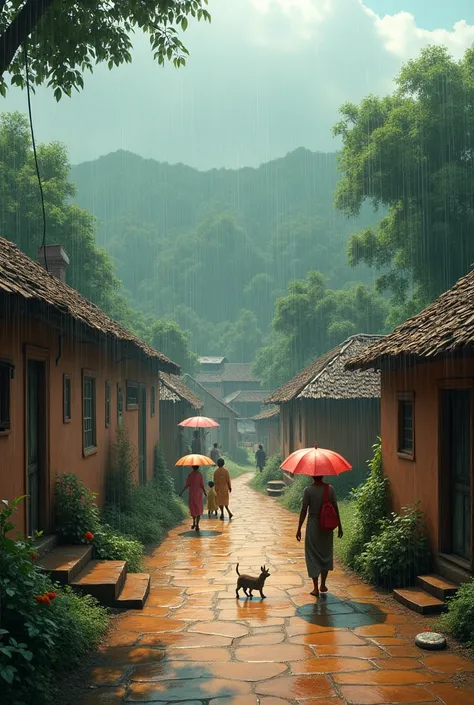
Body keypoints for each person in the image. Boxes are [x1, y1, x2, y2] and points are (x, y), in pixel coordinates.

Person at [296, 475, 343, 598]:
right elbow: (335, 508)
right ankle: (323, 584)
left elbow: (303, 510)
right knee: (325, 554)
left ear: (312, 476)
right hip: (326, 527)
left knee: (312, 556)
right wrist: (340, 525)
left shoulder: (308, 490)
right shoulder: (330, 489)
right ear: (323, 475)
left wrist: (299, 528)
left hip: (313, 526)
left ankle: (315, 588)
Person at [179, 466, 206, 531]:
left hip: (192, 494)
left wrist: (181, 492)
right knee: (198, 509)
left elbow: (186, 485)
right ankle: (197, 525)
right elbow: (202, 485)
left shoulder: (190, 475)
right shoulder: (200, 475)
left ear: (192, 467)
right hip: (198, 495)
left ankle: (194, 522)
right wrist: (205, 492)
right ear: (198, 467)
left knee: (193, 508)